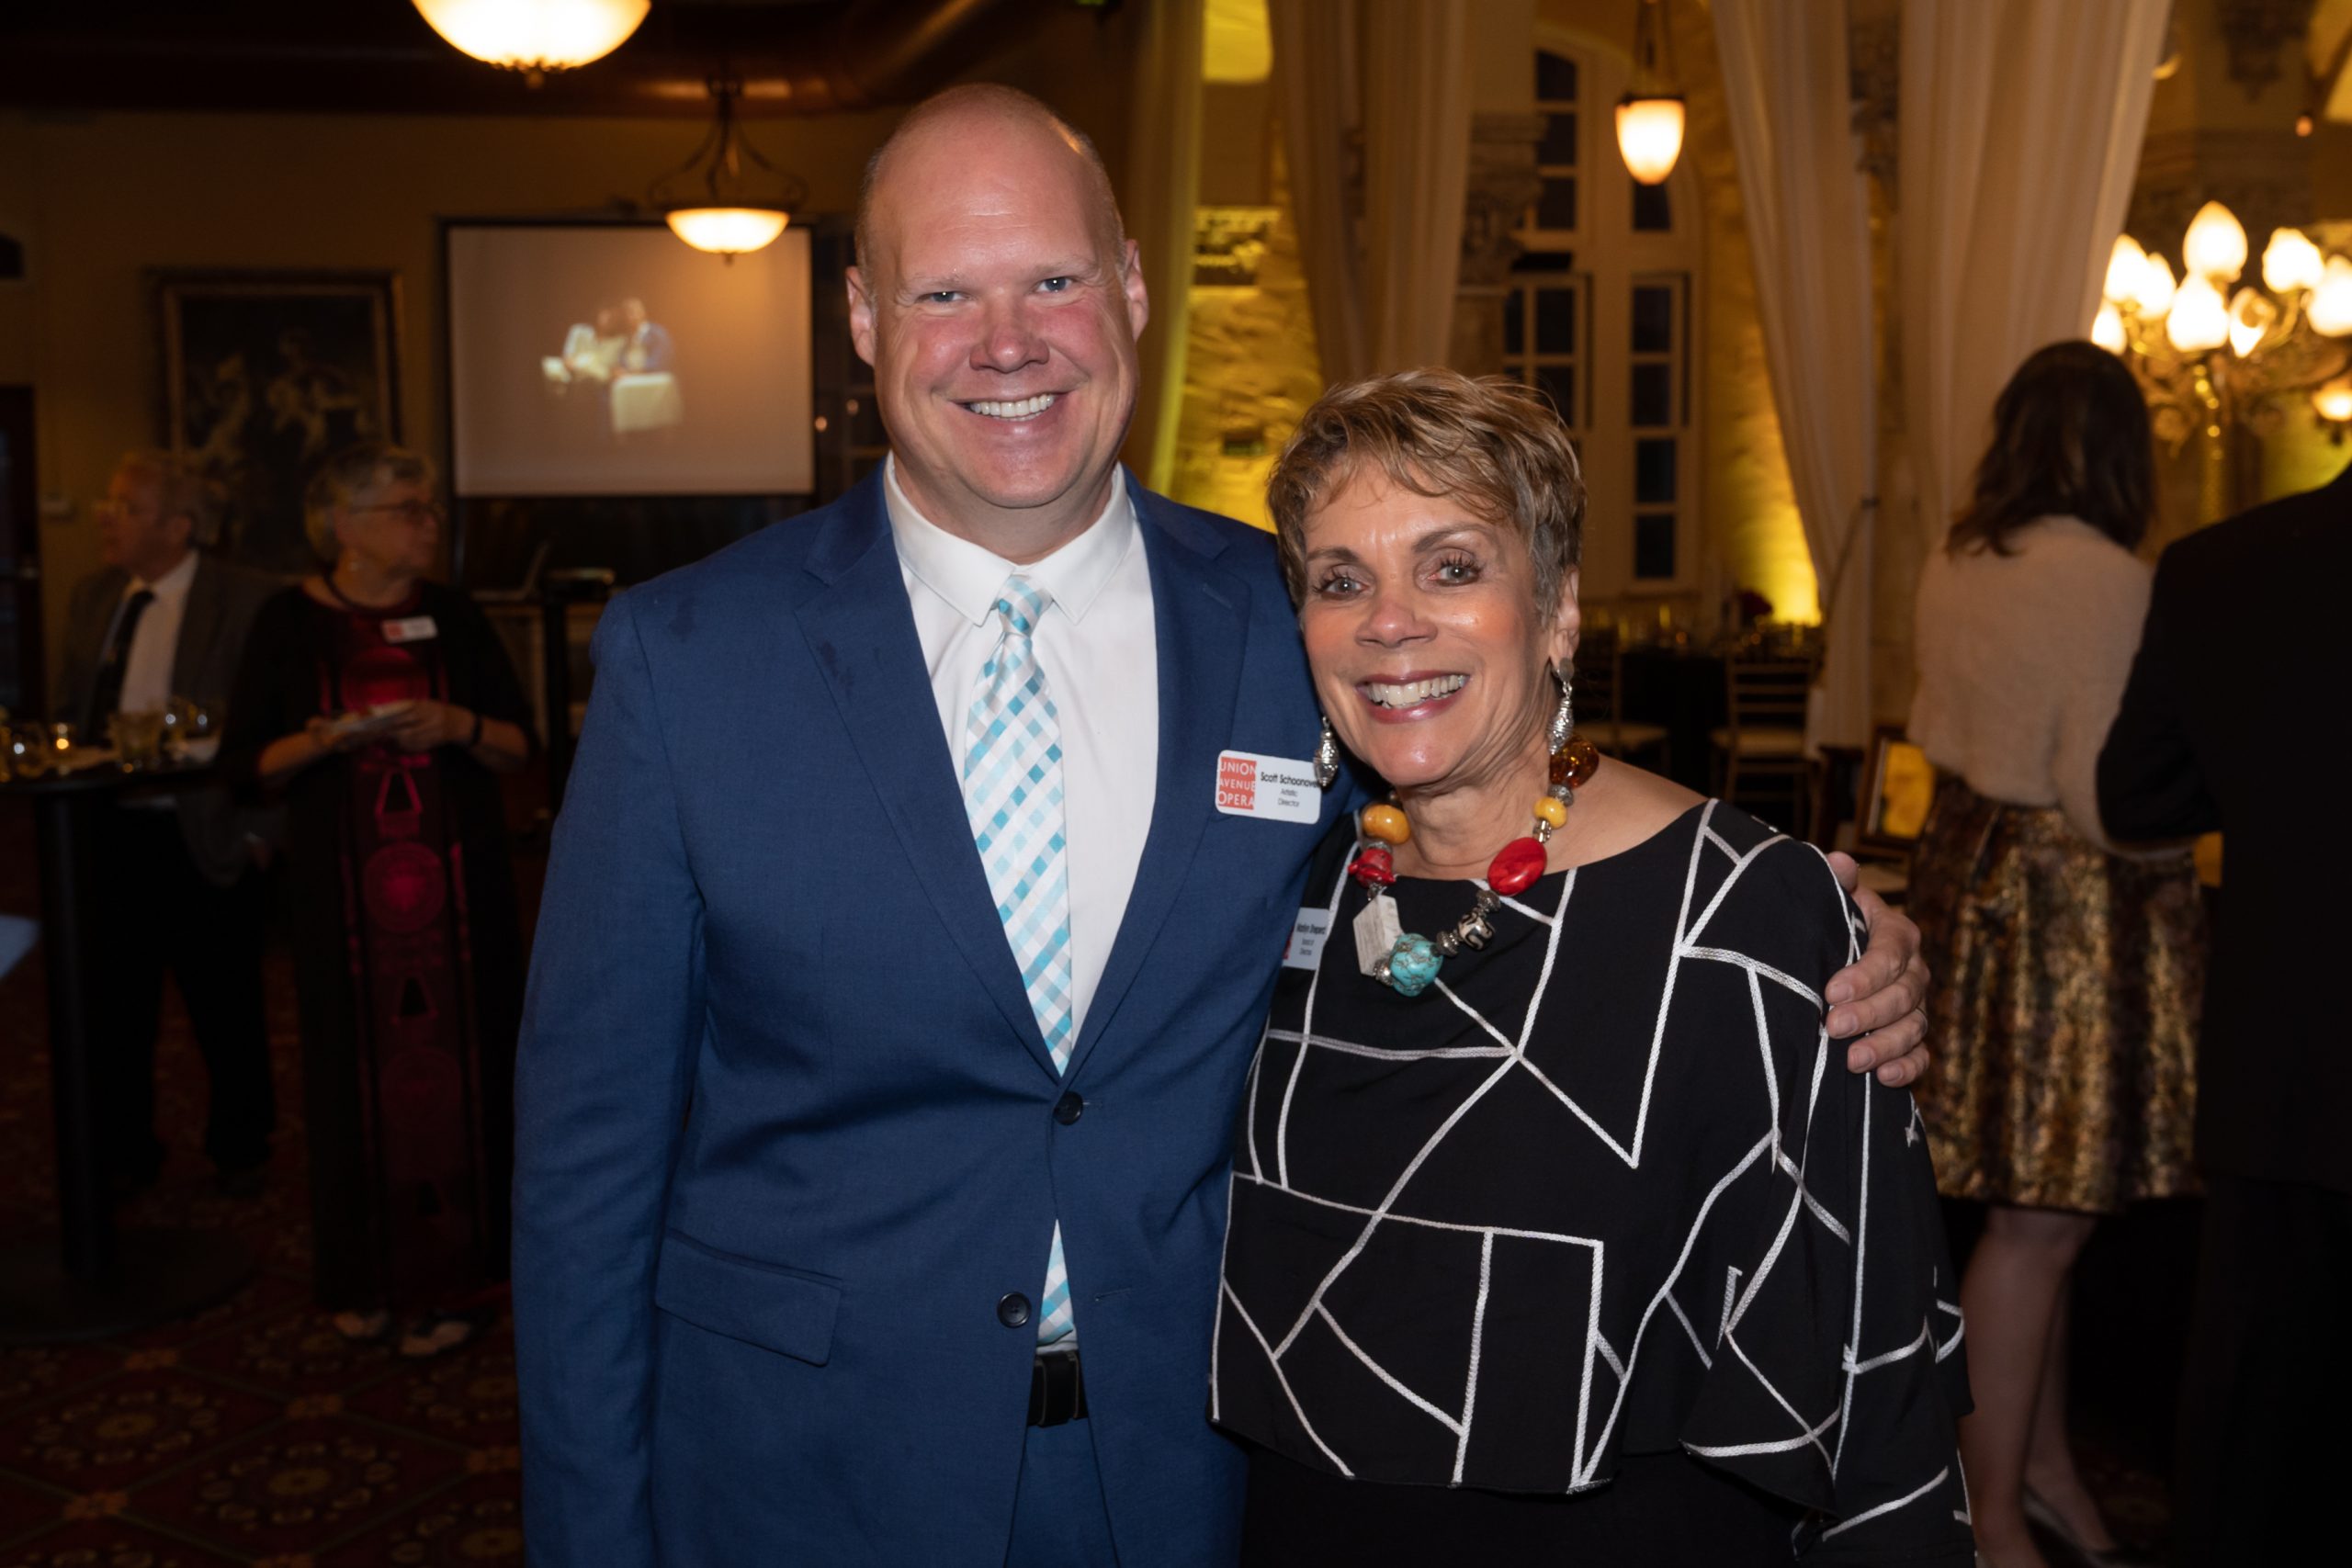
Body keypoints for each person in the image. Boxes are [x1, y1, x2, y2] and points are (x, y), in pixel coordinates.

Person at [512, 84, 1933, 1568]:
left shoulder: (1295, 615)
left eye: (1053, 279)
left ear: (1132, 287)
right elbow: (585, 1172)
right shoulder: (688, 658)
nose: (1008, 342)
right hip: (801, 1476)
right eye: (945, 293)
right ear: (865, 317)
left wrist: (1796, 925)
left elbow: (1497, 787)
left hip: (1198, 1468)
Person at [1210, 369, 1972, 1565]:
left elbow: (1874, 1380)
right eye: (1340, 580)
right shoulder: (1296, 883)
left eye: (1451, 567)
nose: (1388, 621)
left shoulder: (1744, 916)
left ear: (1558, 608)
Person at [1905, 342, 2204, 1568]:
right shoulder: (2111, 581)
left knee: (2039, 1214)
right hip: (2062, 910)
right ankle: (1987, 1519)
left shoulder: (1956, 557)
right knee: (2040, 1225)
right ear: (2123, 449)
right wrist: (2195, 828)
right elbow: (2100, 796)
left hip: (1965, 875)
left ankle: (2043, 1471)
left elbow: (1940, 729)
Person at [220, 441, 533, 1359]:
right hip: (342, 906)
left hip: (461, 904)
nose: (429, 523)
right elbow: (246, 765)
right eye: (408, 508)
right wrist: (327, 737)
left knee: (471, 1083)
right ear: (343, 525)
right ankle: (363, 1278)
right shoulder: (288, 620)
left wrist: (457, 724)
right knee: (347, 1084)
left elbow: (521, 746)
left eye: (429, 507)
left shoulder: (455, 615)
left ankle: (465, 1281)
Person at [2098, 457, 2350, 1568]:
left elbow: (2135, 794)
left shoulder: (2221, 567)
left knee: (2264, 1441)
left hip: (2284, 1069)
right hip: (2282, 1075)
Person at [51, 450, 279, 1197]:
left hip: (206, 827)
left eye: (126, 506)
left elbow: (276, 719)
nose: (106, 518)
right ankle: (125, 1150)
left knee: (225, 1000)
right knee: (115, 1003)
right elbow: (71, 711)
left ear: (179, 526)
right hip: (108, 831)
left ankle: (241, 1147)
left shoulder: (246, 600)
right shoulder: (93, 595)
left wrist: (260, 830)